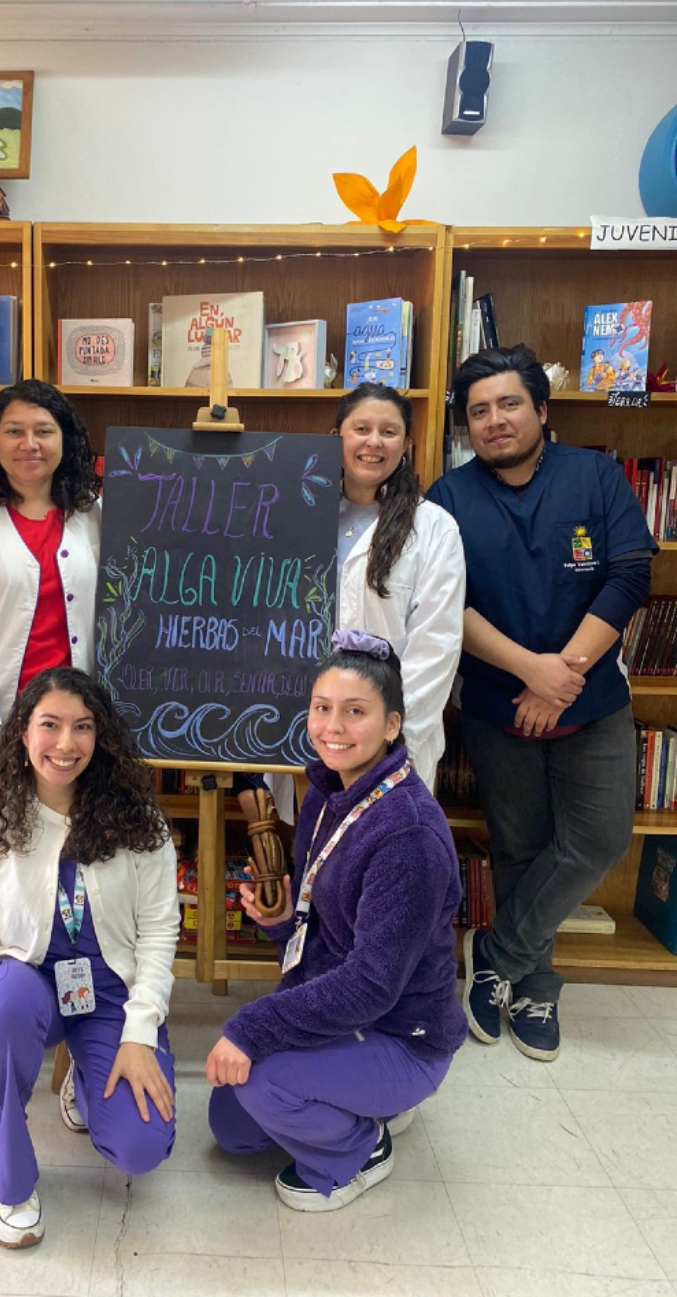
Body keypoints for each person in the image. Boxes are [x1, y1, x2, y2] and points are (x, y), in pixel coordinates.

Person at [427, 344, 657, 1061]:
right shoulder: (449, 498)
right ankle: (536, 987)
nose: (496, 421)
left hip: (595, 699)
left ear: (541, 409)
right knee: (521, 849)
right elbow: (445, 603)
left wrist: (566, 674)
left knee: (598, 840)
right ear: (467, 427)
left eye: (509, 404)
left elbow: (627, 576)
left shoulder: (593, 474)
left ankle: (495, 951)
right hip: (501, 704)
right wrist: (532, 672)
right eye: (479, 411)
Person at [207, 631, 466, 1213]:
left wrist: (253, 1027)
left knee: (255, 1079)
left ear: (393, 725)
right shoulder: (329, 790)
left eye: (356, 713)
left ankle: (360, 1147)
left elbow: (372, 984)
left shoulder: (407, 835)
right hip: (360, 1015)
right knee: (232, 1126)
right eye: (322, 709)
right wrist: (280, 925)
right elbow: (326, 921)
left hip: (403, 1034)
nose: (333, 727)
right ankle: (359, 1099)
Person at [0, 666, 179, 1250]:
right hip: (27, 982)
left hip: (109, 995)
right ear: (23, 732)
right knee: (10, 999)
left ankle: (84, 1078)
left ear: (101, 737)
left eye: (83, 728)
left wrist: (140, 1035)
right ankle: (10, 1178)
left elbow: (159, 934)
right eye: (50, 725)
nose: (65, 744)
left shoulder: (138, 819)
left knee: (140, 1146)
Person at [262, 382, 464, 824]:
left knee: (381, 855)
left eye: (389, 432)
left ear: (407, 444)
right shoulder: (293, 512)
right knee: (312, 857)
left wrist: (383, 735)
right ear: (337, 437)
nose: (374, 442)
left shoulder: (434, 528)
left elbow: (437, 646)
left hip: (388, 742)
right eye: (362, 429)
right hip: (300, 728)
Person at [0, 380, 101, 807]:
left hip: (74, 729)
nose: (29, 444)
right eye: (14, 431)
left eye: (44, 431)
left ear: (66, 439)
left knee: (71, 855)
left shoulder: (94, 514)